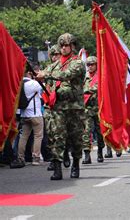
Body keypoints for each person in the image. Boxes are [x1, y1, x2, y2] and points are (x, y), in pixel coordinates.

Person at [36, 33, 86, 180]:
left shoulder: (77, 63)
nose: (64, 48)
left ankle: (76, 164)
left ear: (72, 47)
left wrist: (46, 74)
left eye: (67, 45)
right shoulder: (54, 65)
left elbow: (66, 74)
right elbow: (46, 77)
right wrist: (40, 76)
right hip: (58, 108)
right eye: (62, 45)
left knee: (76, 138)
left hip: (74, 107)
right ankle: (57, 169)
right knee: (57, 137)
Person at [10, 68, 44, 168]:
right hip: (36, 114)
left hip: (24, 114)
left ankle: (21, 157)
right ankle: (36, 158)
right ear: (30, 73)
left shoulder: (18, 84)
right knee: (38, 136)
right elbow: (43, 92)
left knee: (23, 137)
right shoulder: (34, 84)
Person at [82, 56, 105, 164]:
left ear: (96, 65)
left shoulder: (100, 76)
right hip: (87, 108)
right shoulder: (84, 77)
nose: (90, 67)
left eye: (92, 64)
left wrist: (85, 90)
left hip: (99, 108)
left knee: (100, 132)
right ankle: (87, 154)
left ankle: (100, 151)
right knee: (86, 131)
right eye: (88, 65)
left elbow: (98, 88)